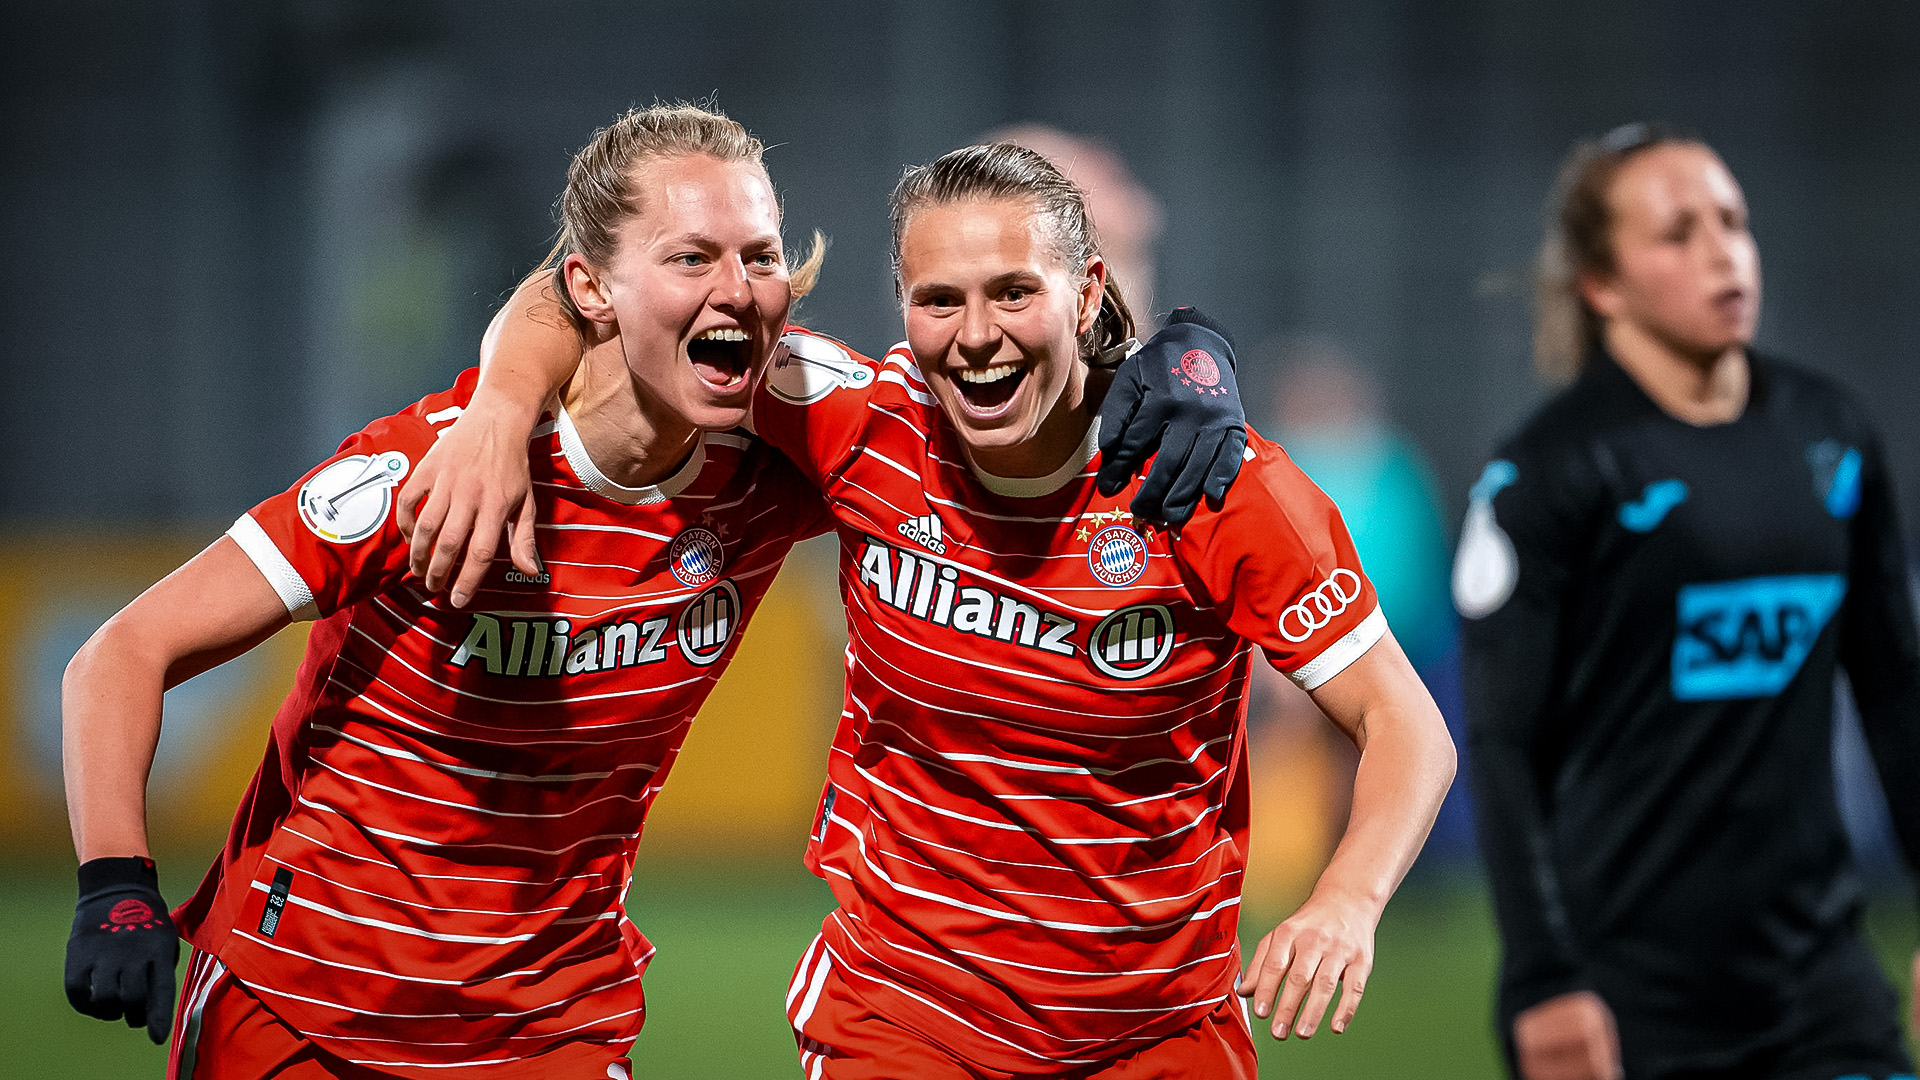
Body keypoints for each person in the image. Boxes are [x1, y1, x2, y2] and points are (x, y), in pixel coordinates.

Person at [61, 104, 1243, 1079]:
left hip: (555, 1028)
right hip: (302, 1008)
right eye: (690, 259)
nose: (737, 290)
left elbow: (1002, 387)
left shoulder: (787, 453)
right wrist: (116, 881)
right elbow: (121, 651)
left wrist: (1182, 355)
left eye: (761, 257)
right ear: (593, 289)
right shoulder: (434, 471)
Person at [412, 142, 1456, 1077]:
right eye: (940, 300)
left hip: (1156, 1029)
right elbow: (594, 297)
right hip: (904, 1018)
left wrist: (1347, 900)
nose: (977, 335)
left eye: (1014, 292)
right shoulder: (862, 418)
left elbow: (1404, 722)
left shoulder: (1217, 487)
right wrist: (501, 411)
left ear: (1088, 292)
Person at [1456, 122, 1920, 1080]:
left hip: (1824, 984)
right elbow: (1504, 748)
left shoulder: (1832, 434)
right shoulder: (1549, 472)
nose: (1724, 252)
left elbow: (1896, 693)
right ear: (1602, 285)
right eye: (1678, 233)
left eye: (1734, 221)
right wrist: (1542, 979)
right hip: (1630, 999)